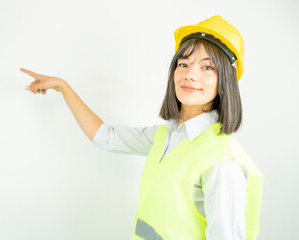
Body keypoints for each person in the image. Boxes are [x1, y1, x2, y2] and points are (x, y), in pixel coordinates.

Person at [22, 15, 264, 240]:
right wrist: (63, 87)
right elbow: (105, 136)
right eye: (183, 64)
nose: (190, 75)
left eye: (207, 67)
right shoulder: (166, 136)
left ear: (225, 83)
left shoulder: (223, 162)